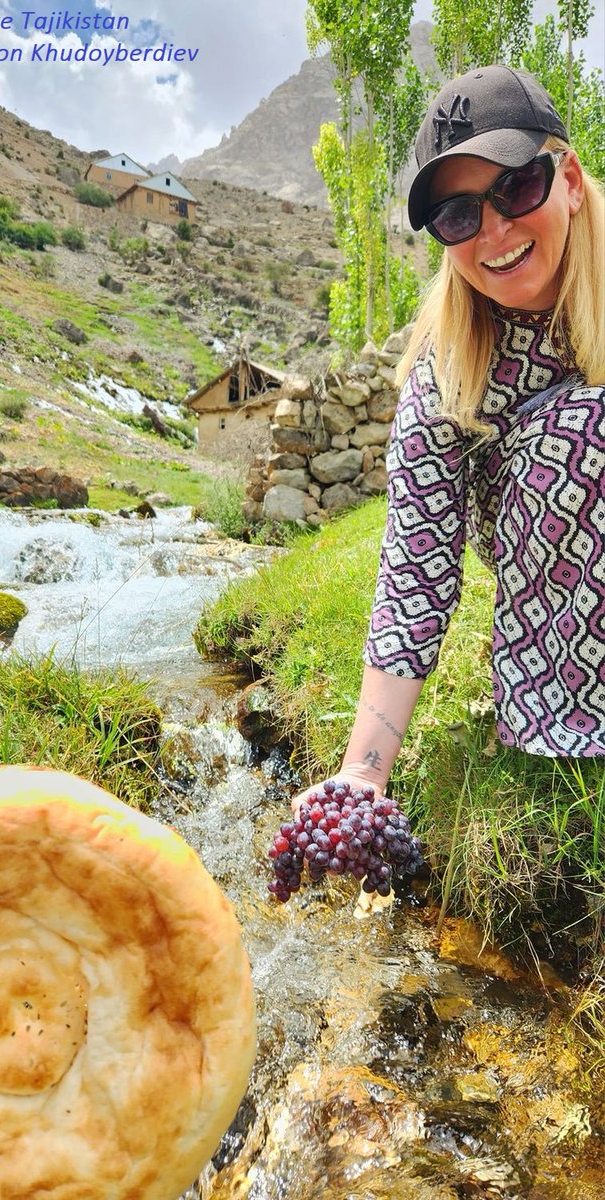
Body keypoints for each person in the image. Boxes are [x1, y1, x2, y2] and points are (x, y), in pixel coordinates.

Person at [293, 64, 604, 812]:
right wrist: (365, 768)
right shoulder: (446, 370)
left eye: (515, 187)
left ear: (566, 178)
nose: (493, 231)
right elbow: (414, 566)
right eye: (459, 216)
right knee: (586, 432)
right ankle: (562, 704)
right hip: (545, 521)